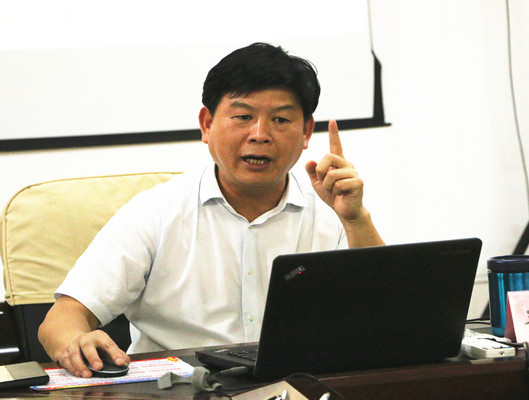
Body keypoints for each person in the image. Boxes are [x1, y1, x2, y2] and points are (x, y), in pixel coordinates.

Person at [38, 42, 384, 377]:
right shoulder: (156, 212)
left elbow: (388, 317)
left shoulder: (334, 213)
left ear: (306, 131)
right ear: (206, 124)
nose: (260, 134)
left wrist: (356, 220)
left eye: (280, 120)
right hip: (181, 388)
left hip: (298, 383)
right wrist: (76, 341)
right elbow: (62, 319)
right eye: (243, 117)